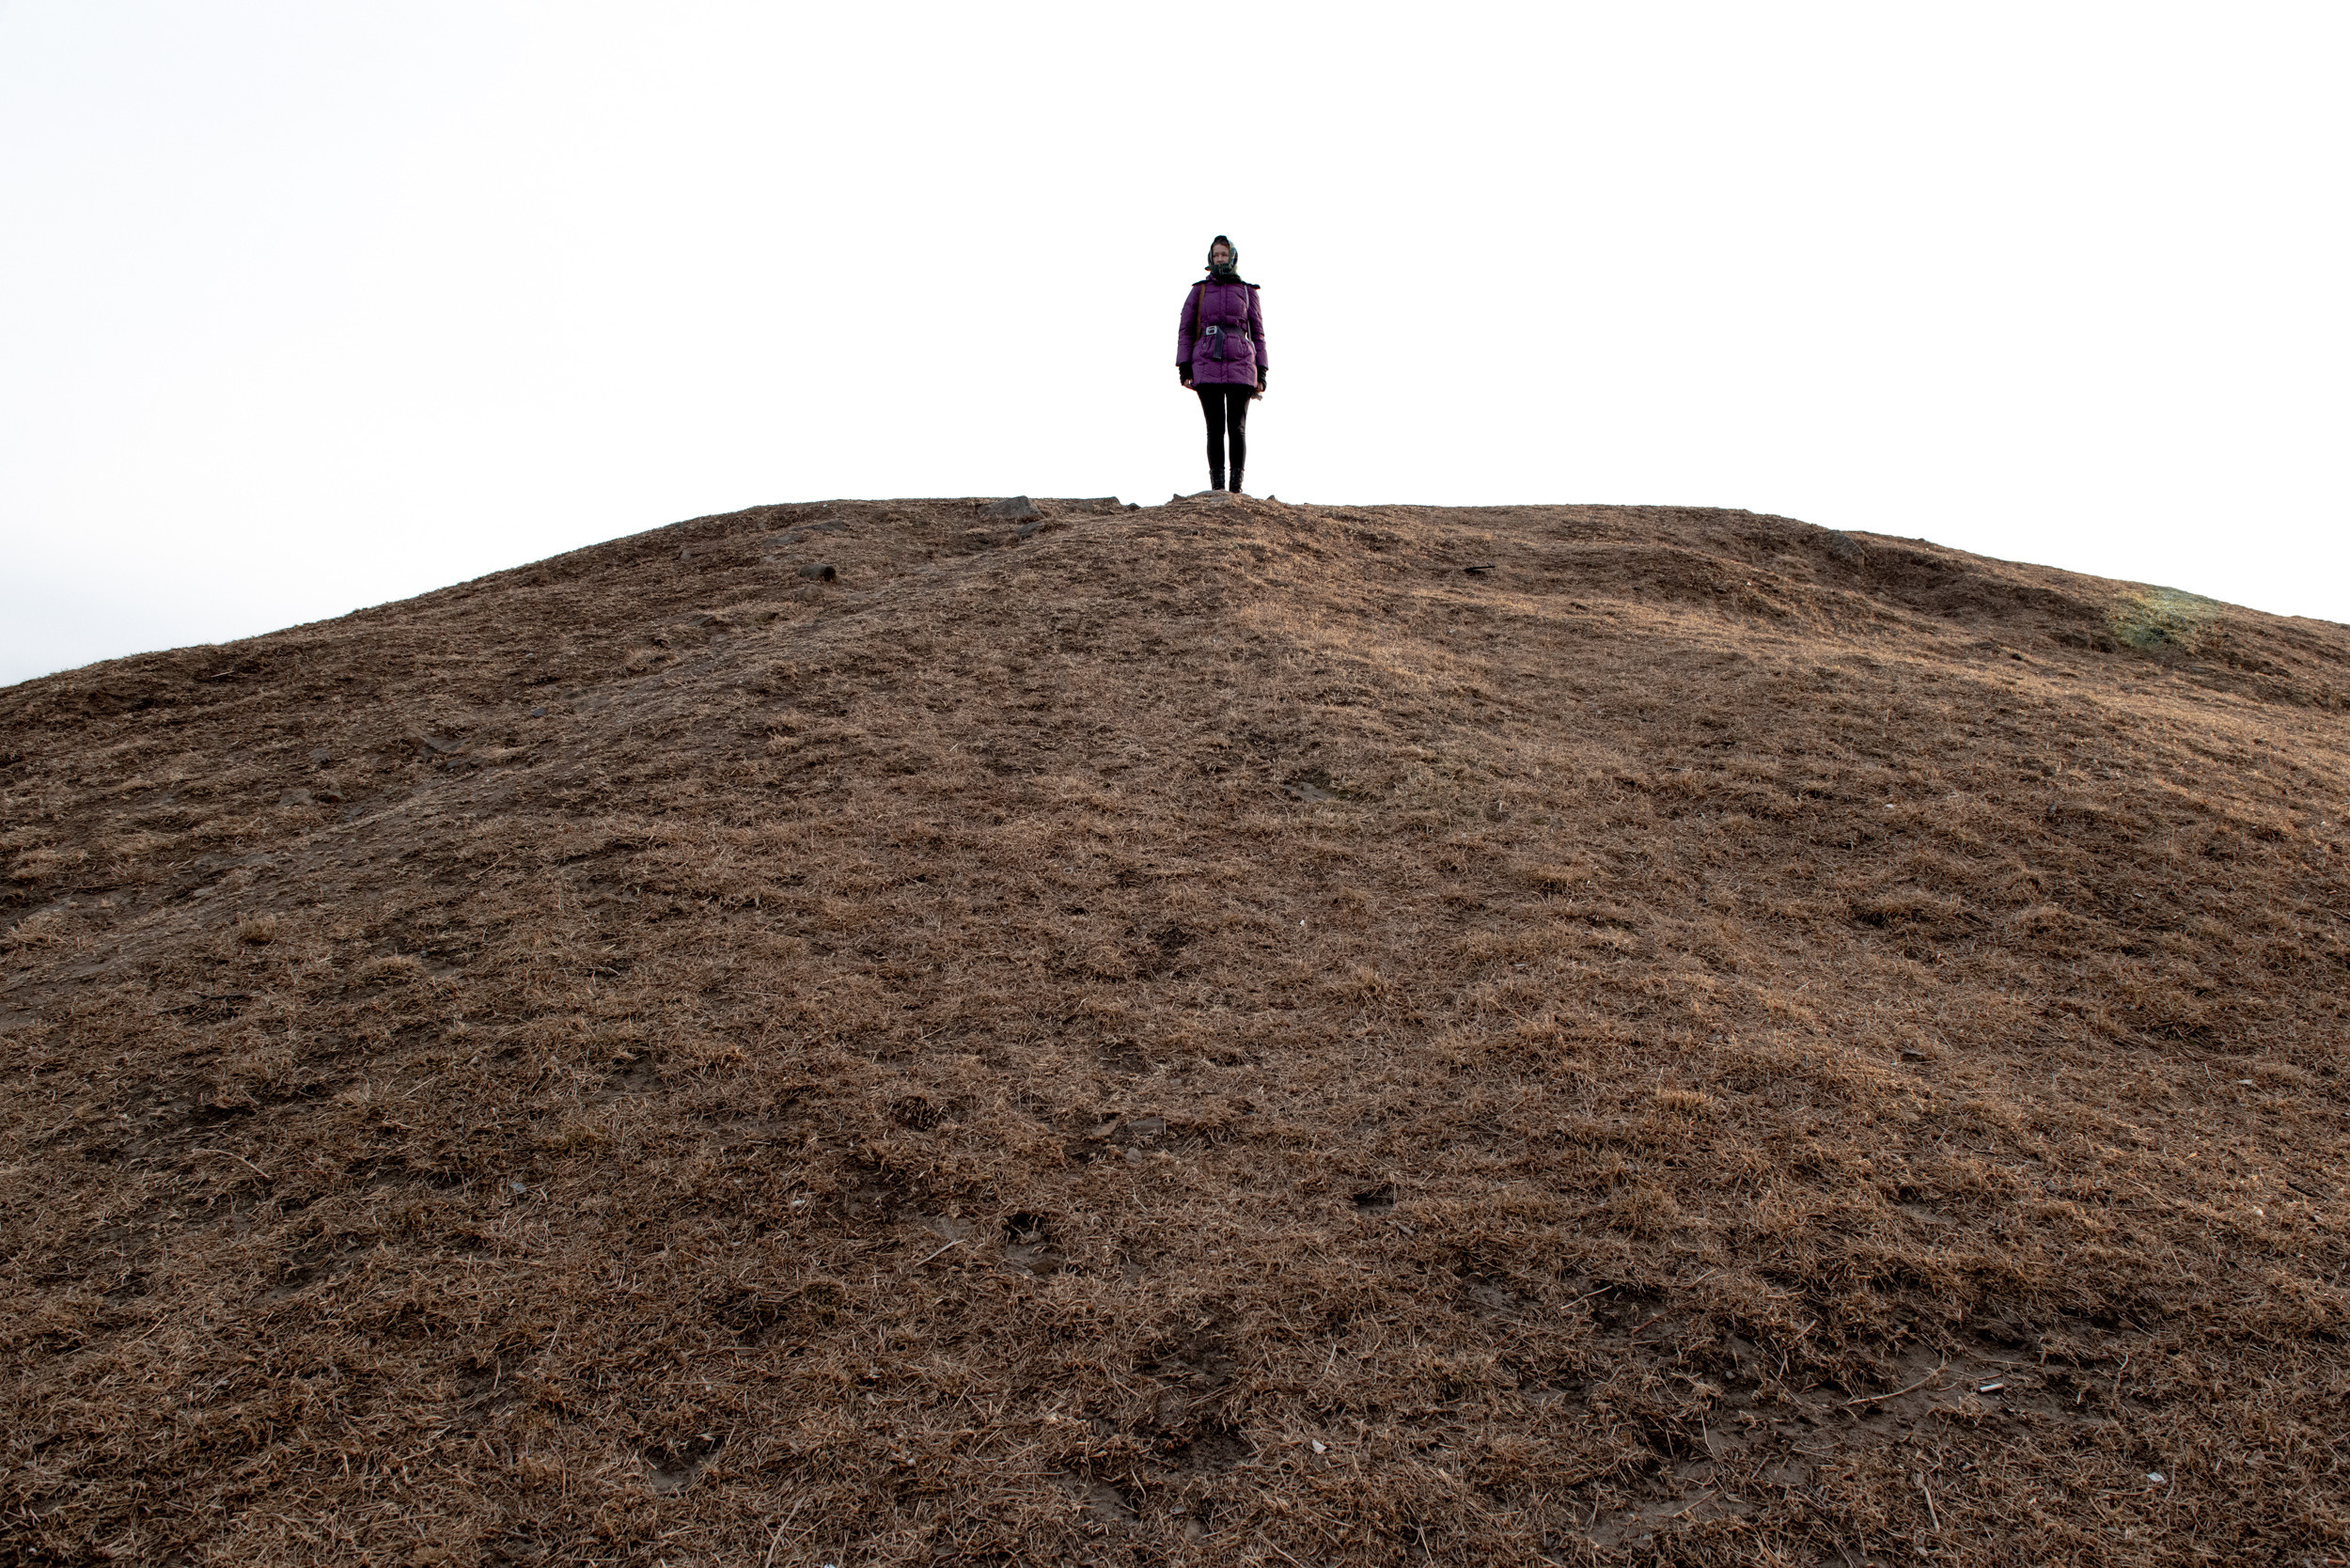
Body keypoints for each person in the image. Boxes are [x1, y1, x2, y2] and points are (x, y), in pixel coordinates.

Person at [1177, 235, 1267, 494]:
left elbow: (1258, 334)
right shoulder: (1199, 291)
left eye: (1224, 255)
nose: (1219, 259)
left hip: (1242, 364)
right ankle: (1217, 490)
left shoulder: (1248, 292)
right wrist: (1184, 366)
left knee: (1237, 428)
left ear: (1232, 257)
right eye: (1215, 255)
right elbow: (1185, 331)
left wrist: (1262, 371)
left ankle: (1236, 491)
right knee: (1214, 429)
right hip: (1206, 362)